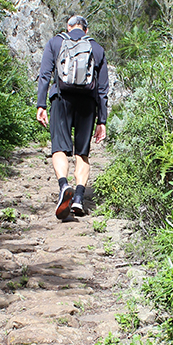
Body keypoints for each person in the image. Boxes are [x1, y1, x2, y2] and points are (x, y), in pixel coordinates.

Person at [36, 15, 108, 218]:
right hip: (87, 103)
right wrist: (102, 120)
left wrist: (41, 104)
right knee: (82, 153)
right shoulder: (97, 48)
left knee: (59, 148)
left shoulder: (56, 42)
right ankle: (77, 198)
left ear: (68, 28)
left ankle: (63, 186)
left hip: (61, 99)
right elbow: (102, 89)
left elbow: (45, 75)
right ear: (86, 30)